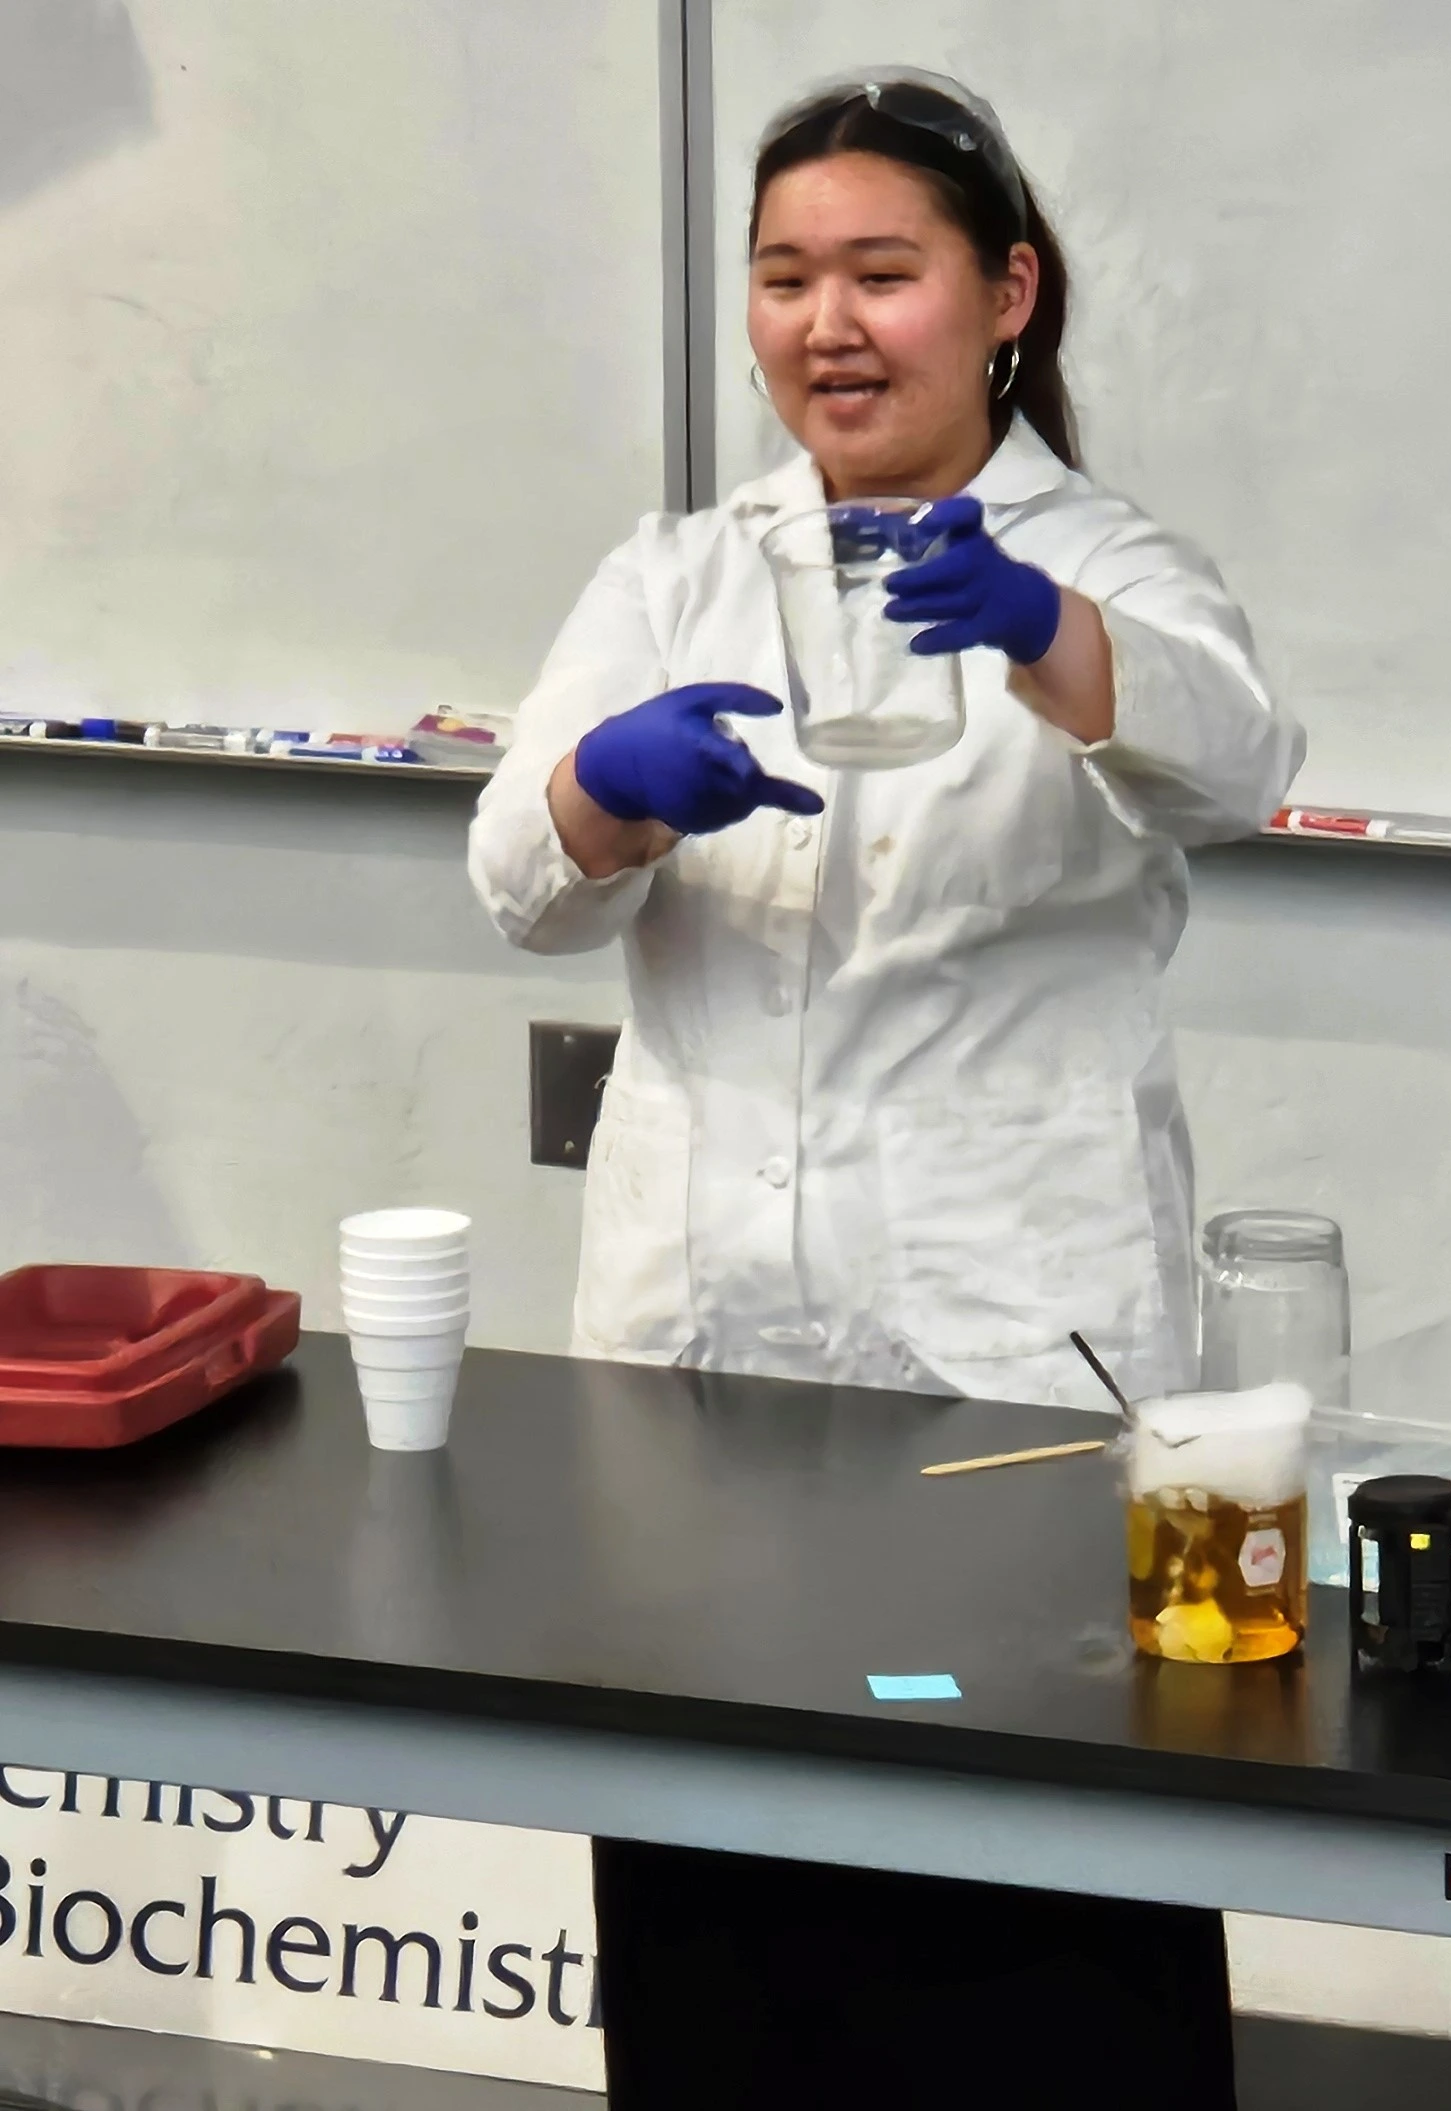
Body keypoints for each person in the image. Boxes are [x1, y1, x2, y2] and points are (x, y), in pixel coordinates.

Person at [470, 68, 1301, 2111]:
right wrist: (604, 791)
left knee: (1019, 1951)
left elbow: (1238, 758)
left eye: (881, 272)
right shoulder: (675, 573)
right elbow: (515, 886)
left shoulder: (1111, 561)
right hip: (698, 1369)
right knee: (719, 1938)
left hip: (1001, 1386)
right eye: (782, 278)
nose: (825, 323)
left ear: (1008, 291)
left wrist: (1053, 639)